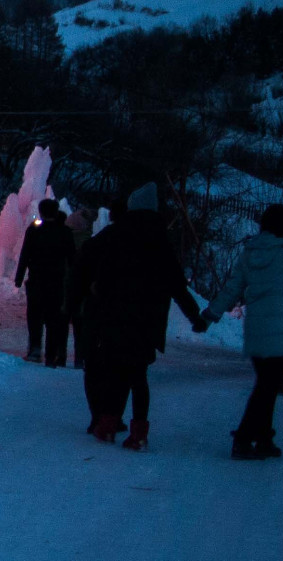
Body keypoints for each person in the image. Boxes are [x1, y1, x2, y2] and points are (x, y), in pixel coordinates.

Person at [73, 183, 204, 450]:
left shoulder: (119, 235)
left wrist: (95, 295)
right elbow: (177, 284)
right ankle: (139, 432)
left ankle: (107, 424)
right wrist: (195, 316)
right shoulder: (160, 240)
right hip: (148, 321)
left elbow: (104, 275)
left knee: (115, 371)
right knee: (139, 376)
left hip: (116, 317)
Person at [200, 203, 283, 460]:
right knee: (266, 388)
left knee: (267, 385)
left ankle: (263, 439)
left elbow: (231, 289)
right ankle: (243, 439)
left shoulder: (250, 254)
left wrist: (210, 314)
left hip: (258, 333)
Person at [15, 197, 76, 365]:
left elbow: (25, 254)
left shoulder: (34, 230)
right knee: (53, 319)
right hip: (56, 282)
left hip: (37, 280)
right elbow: (72, 259)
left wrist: (19, 276)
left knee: (34, 316)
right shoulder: (64, 232)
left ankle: (35, 349)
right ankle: (51, 354)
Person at [65, 206, 96, 369]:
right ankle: (80, 357)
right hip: (83, 288)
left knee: (63, 321)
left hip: (68, 286)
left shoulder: (66, 239)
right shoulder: (88, 242)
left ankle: (59, 355)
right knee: (81, 324)